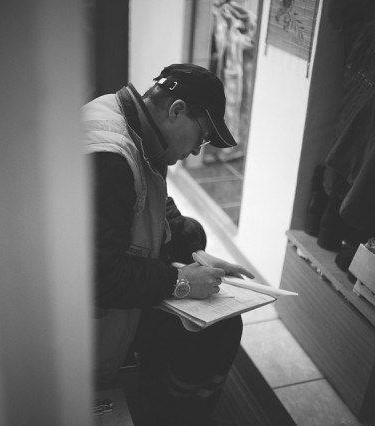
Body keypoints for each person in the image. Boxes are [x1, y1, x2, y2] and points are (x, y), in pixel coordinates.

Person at [83, 63, 255, 425]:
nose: (196, 152)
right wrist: (180, 282)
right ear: (176, 110)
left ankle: (156, 390)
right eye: (201, 136)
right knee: (219, 328)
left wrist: (196, 256)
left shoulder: (123, 117)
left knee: (191, 233)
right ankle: (174, 414)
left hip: (94, 280)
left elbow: (153, 202)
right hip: (80, 317)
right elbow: (98, 278)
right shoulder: (111, 158)